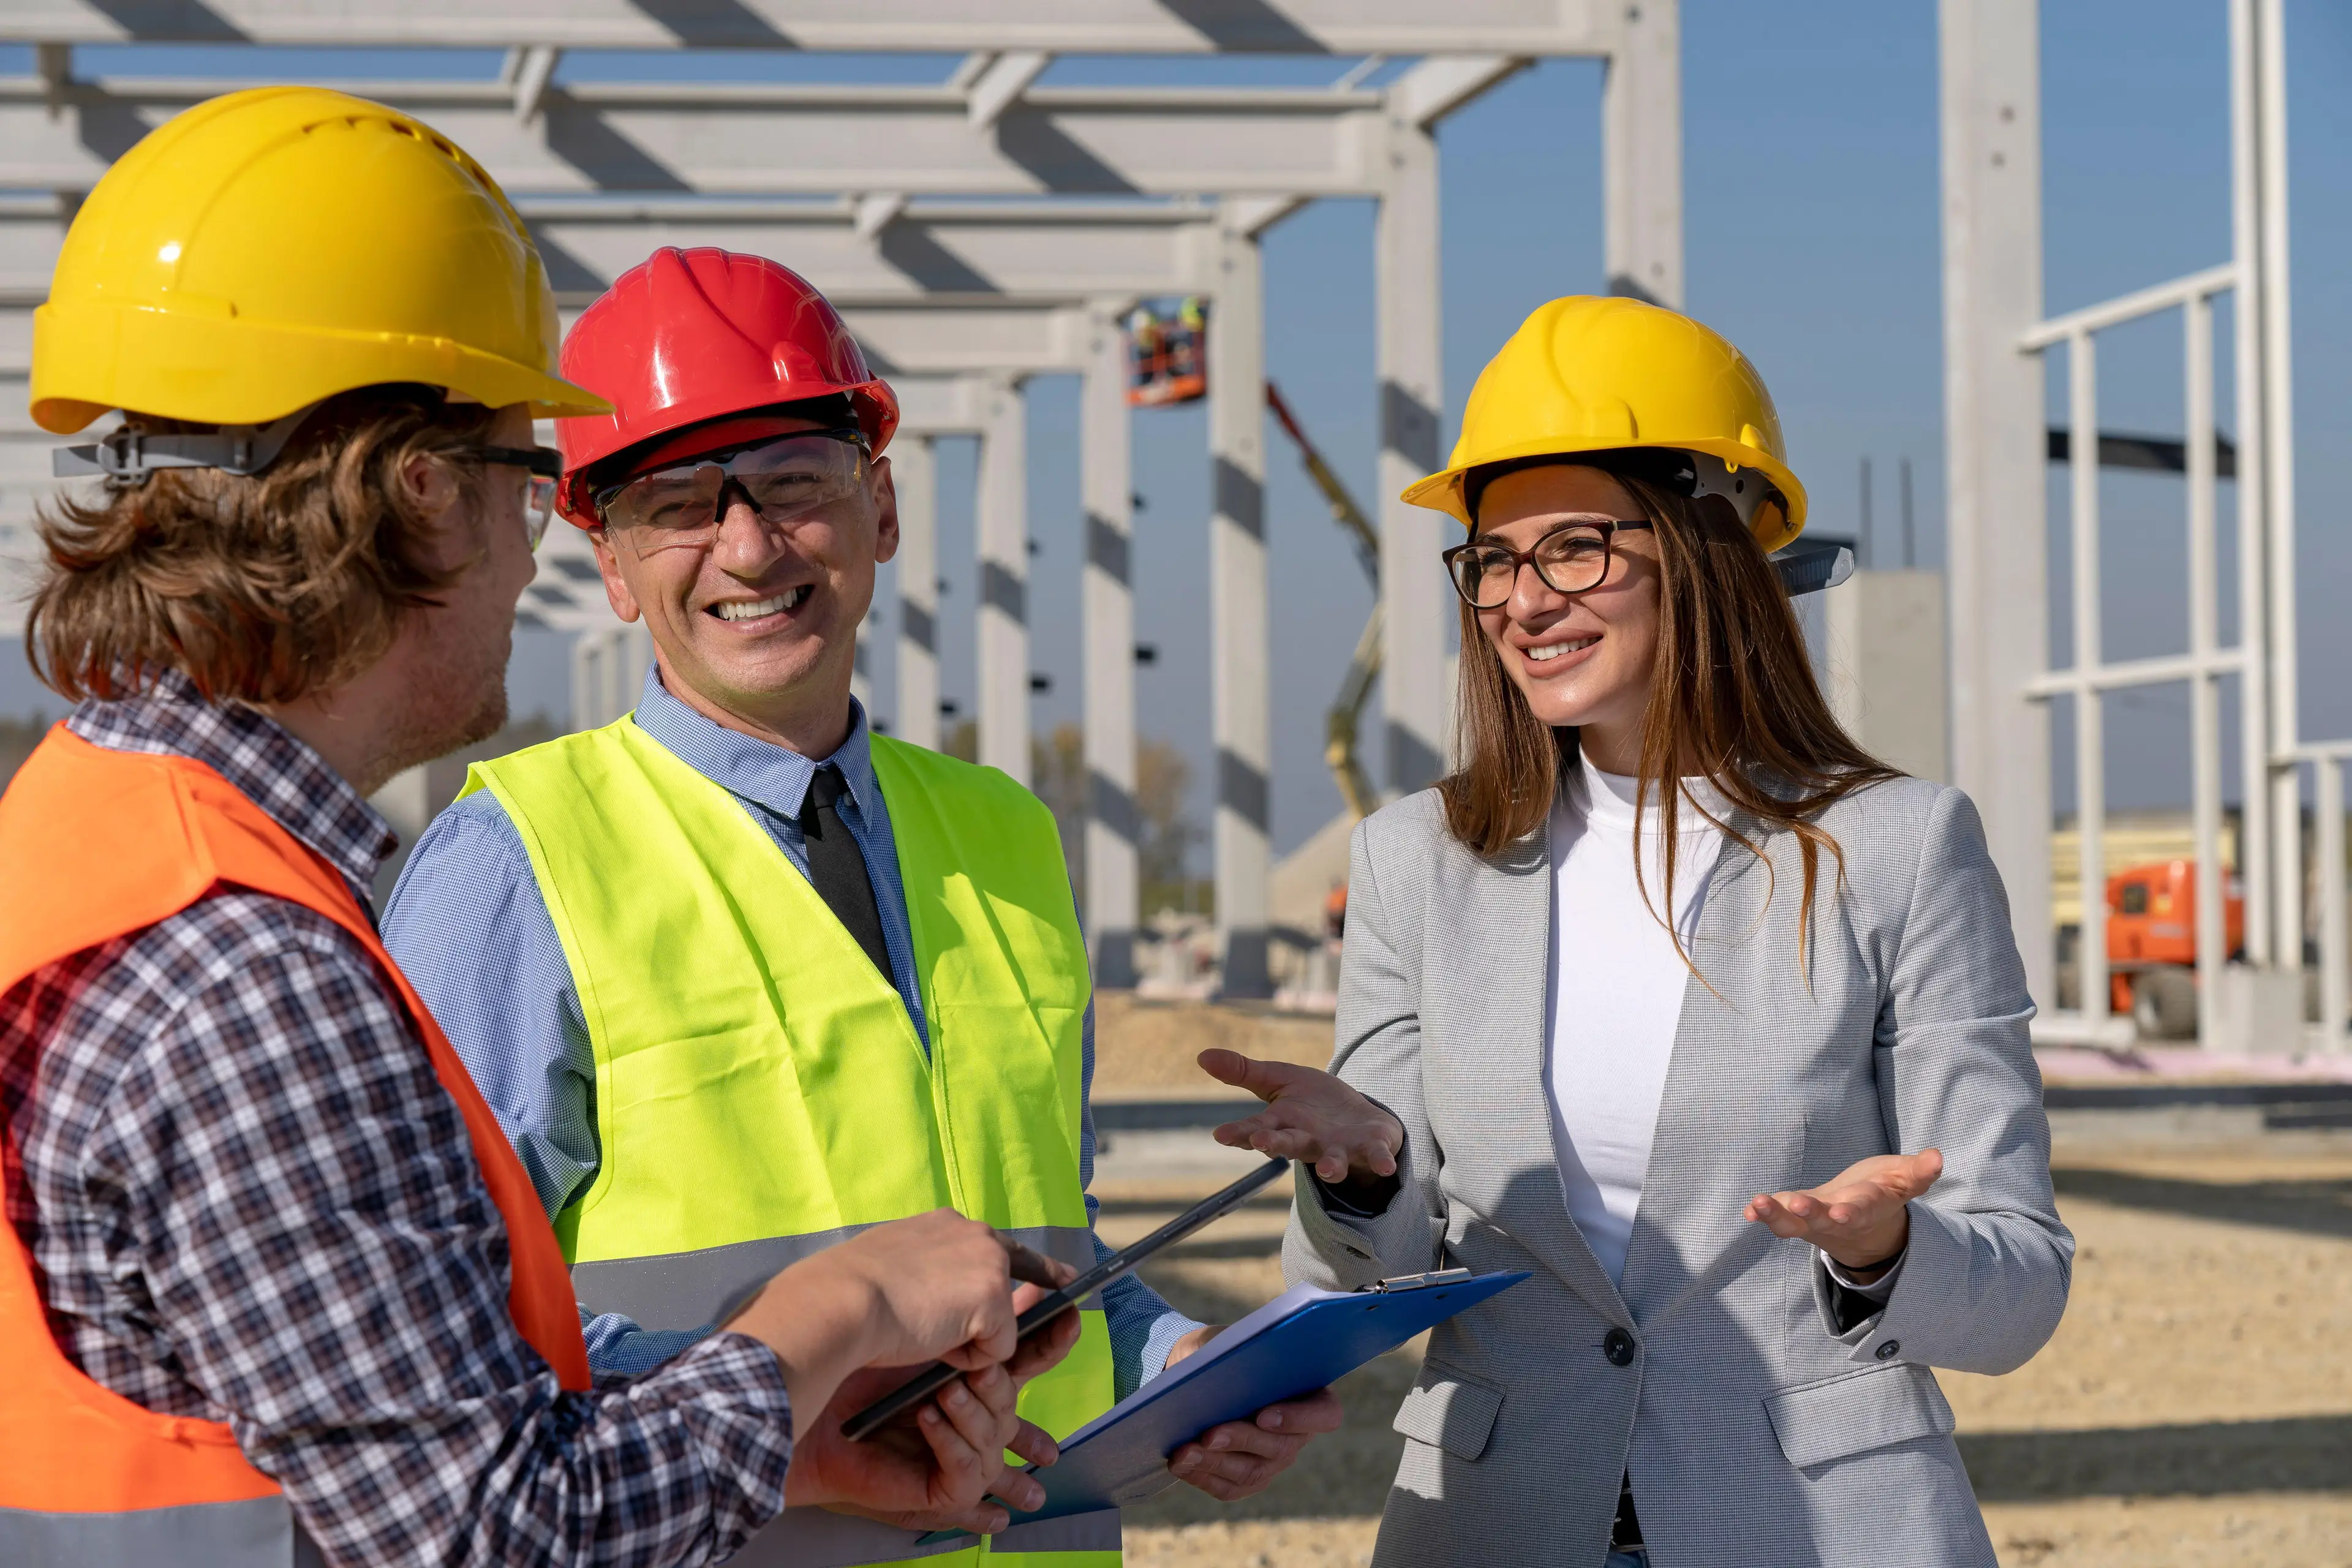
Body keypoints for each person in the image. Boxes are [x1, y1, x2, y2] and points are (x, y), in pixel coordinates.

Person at [0, 87, 1082, 1568]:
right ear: (425, 496)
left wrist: (786, 1452)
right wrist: (835, 1317)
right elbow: (495, 1528)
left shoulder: (94, 837)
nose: (534, 554)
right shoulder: (251, 969)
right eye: (536, 479)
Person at [380, 246, 1337, 1566]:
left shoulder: (1005, 834)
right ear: (605, 565)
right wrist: (799, 1397)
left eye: (793, 483)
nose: (749, 545)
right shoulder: (513, 863)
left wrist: (1175, 1356)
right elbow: (439, 1322)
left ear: (880, 508)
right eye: (676, 502)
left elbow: (1050, 1232)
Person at [1202, 295, 2073, 1567]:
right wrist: (1366, 1171)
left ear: (1704, 549)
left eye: (1576, 549)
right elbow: (1361, 1279)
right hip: (1497, 1524)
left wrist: (1887, 1247)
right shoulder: (1416, 861)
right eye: (1495, 558)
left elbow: (2021, 1285)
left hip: (1815, 1526)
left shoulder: (1900, 846)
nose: (1522, 599)